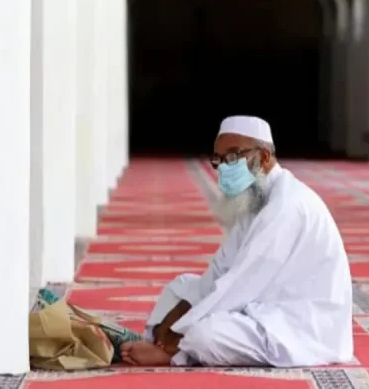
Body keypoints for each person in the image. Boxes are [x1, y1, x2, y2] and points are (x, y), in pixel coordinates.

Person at [119, 116, 354, 367]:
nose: (223, 167)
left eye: (233, 156)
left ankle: (172, 354)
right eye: (218, 159)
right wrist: (174, 321)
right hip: (264, 305)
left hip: (301, 324)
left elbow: (240, 285)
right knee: (180, 288)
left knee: (205, 333)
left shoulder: (287, 206)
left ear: (263, 157)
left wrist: (175, 338)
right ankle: (160, 344)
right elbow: (220, 271)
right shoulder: (256, 199)